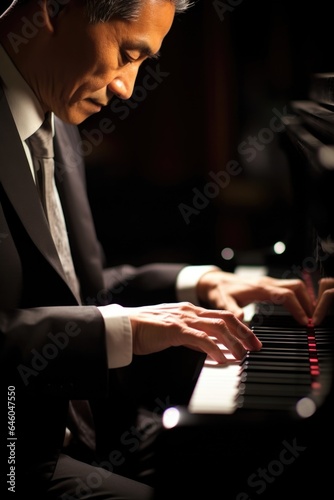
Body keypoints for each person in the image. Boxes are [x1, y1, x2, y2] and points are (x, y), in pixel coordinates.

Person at [0, 0, 331, 499]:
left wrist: (197, 282)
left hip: (91, 434)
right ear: (51, 9)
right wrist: (127, 328)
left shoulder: (53, 105)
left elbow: (70, 295)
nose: (126, 88)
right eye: (128, 54)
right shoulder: (58, 92)